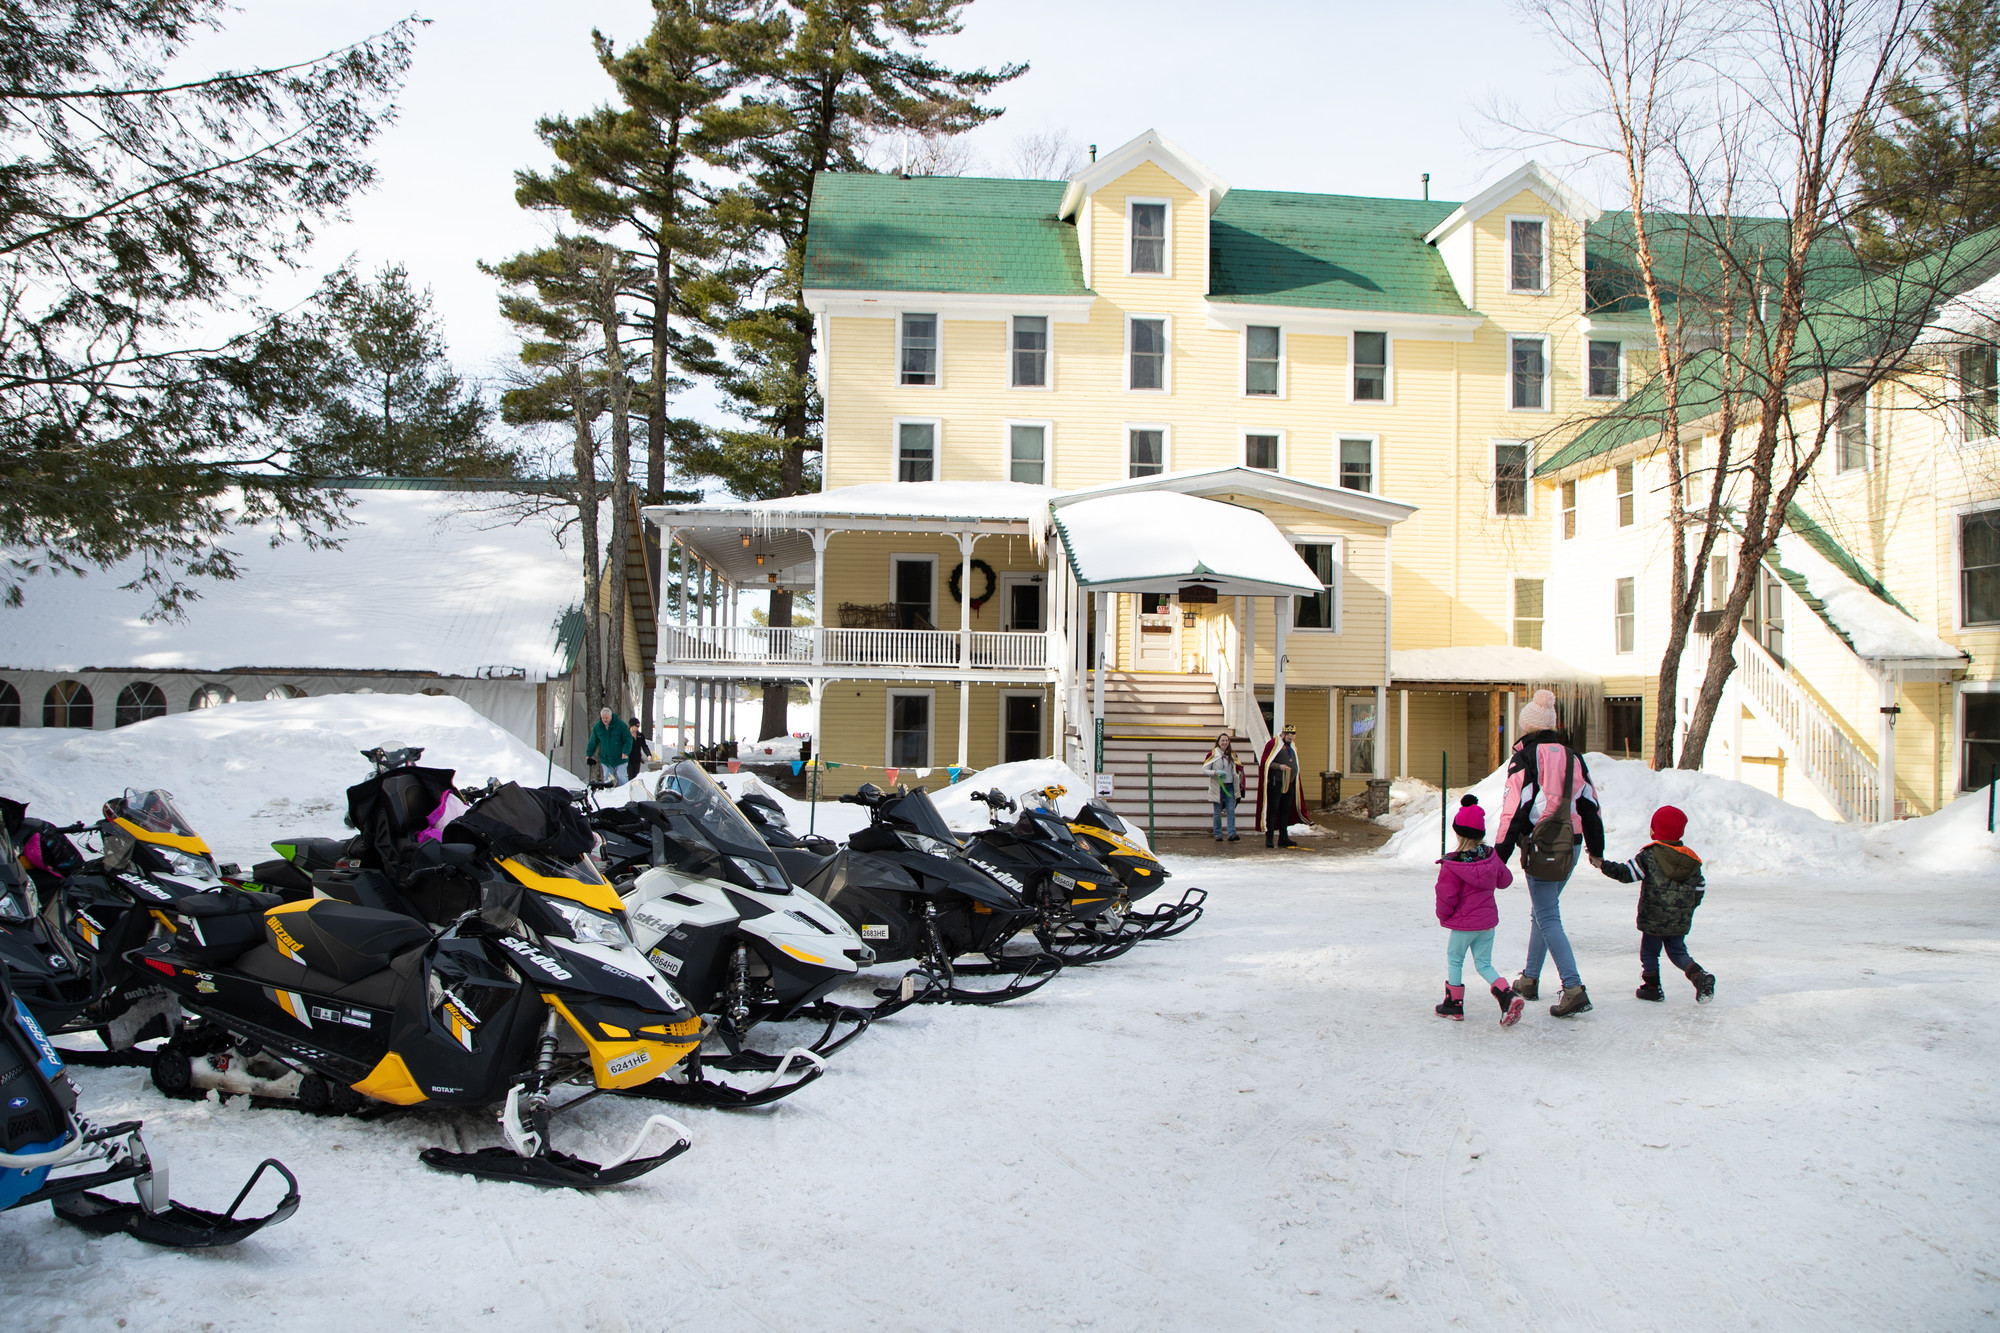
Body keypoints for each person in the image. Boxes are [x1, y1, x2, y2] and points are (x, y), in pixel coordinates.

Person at [1493, 689, 1604, 1018]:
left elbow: (1513, 809)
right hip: (1572, 842)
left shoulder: (1524, 758)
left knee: (1547, 915)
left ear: (1527, 728)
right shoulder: (1574, 757)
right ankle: (1529, 978)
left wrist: (1499, 856)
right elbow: (1590, 806)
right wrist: (1596, 850)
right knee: (1543, 911)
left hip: (1541, 846)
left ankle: (1573, 988)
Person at [1593, 804, 1716, 1003]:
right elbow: (1699, 887)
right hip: (1679, 920)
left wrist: (1603, 865)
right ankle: (1699, 976)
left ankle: (1652, 987)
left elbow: (1627, 874)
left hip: (1653, 918)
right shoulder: (1690, 860)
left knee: (1650, 952)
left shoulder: (1649, 855)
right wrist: (1688, 907)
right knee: (1677, 951)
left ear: (1654, 830)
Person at [1434, 795, 1526, 1026]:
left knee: (1455, 959)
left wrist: (1444, 916)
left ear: (1457, 833)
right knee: (1484, 964)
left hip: (1464, 925)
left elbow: (1446, 896)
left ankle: (1453, 1006)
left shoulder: (1452, 865)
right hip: (1487, 923)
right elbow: (1505, 881)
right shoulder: (1491, 856)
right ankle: (1508, 996)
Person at [1258, 723, 1306, 849]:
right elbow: (1266, 763)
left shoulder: (1291, 746)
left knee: (1285, 810)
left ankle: (1283, 837)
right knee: (1273, 810)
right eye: (1289, 738)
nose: (1291, 741)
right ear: (1283, 734)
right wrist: (1279, 767)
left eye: (1292, 738)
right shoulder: (1273, 744)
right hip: (1276, 782)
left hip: (1289, 783)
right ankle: (1269, 838)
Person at [1202, 732, 1242, 842]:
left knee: (1231, 810)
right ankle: (1218, 834)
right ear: (1218, 742)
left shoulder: (1232, 755)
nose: (1225, 742)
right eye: (1222, 740)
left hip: (1230, 786)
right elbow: (1205, 769)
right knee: (1217, 812)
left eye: (1226, 740)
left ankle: (1231, 833)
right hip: (1218, 787)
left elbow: (1237, 768)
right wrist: (1215, 772)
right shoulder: (1213, 754)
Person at [586, 705, 632, 785]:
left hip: (620, 757)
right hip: (606, 759)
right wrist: (589, 754)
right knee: (608, 779)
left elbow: (628, 739)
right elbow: (593, 741)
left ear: (611, 716)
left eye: (606, 718)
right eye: (603, 718)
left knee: (622, 777)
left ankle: (624, 793)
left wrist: (626, 751)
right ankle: (609, 795)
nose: (604, 720)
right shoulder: (598, 727)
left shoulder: (620, 725)